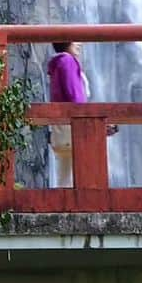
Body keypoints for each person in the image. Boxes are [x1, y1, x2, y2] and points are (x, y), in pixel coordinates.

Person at [47, 41, 89, 188]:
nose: (80, 44)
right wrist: (87, 120)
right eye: (75, 40)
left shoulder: (57, 64)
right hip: (73, 125)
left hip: (61, 126)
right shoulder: (67, 61)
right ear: (66, 42)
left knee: (66, 172)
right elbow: (74, 95)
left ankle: (62, 206)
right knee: (82, 169)